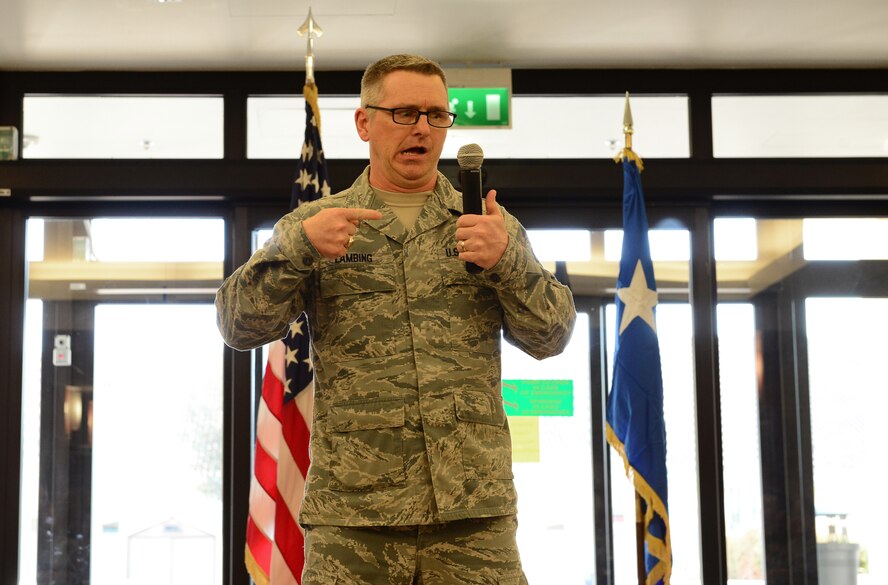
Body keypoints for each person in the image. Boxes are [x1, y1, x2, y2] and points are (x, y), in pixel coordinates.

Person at [216, 54, 576, 585]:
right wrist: (297, 249)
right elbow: (237, 325)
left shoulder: (486, 226)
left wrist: (509, 262)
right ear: (364, 123)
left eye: (436, 115)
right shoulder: (316, 224)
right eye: (404, 113)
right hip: (354, 521)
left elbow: (552, 336)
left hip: (472, 518)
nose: (423, 129)